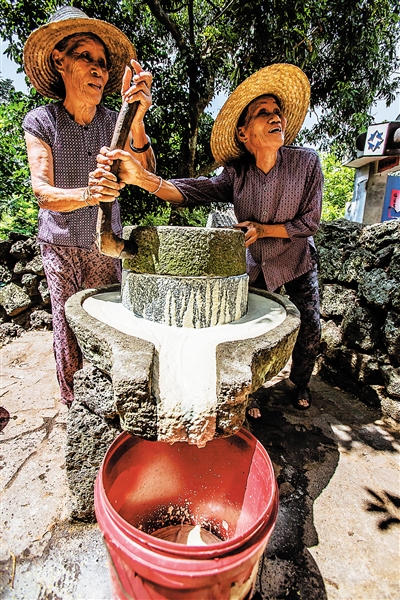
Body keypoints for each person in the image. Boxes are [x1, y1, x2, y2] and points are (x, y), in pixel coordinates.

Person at [92, 63, 323, 413]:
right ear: (244, 133)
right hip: (258, 264)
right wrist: (142, 179)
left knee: (310, 326)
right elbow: (189, 191)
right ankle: (250, 394)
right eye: (263, 112)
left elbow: (309, 223)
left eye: (277, 112)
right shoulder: (236, 174)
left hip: (296, 260)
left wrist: (262, 230)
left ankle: (300, 382)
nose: (275, 117)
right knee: (250, 329)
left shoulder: (306, 163)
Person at [22, 6, 155, 407]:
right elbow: (43, 192)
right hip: (60, 245)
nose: (98, 68)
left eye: (102, 62)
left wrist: (137, 119)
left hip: (103, 245)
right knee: (67, 325)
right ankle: (73, 403)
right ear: (59, 61)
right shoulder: (42, 121)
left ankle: (109, 401)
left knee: (106, 323)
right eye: (85, 57)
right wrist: (88, 194)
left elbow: (148, 174)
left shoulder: (115, 122)